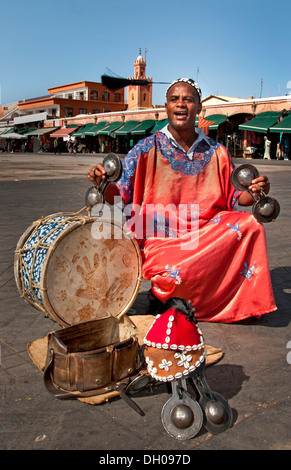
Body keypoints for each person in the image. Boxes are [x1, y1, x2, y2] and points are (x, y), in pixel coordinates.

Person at [88, 78, 277, 323]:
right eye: (174, 99)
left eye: (188, 99)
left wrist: (254, 191)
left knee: (250, 226)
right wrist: (103, 184)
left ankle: (220, 301)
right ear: (165, 106)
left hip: (208, 233)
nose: (181, 104)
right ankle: (169, 295)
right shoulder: (145, 149)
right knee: (171, 271)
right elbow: (119, 196)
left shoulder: (217, 151)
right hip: (161, 237)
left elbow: (234, 198)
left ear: (199, 108)